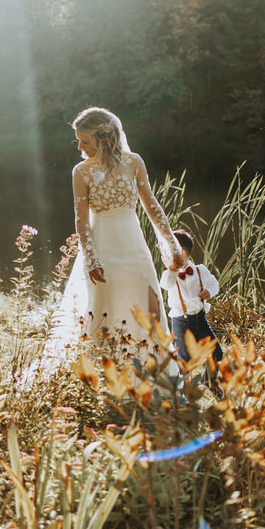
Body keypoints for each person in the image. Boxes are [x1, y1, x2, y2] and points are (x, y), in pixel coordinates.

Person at [60, 107, 185, 361]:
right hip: (103, 247)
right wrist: (91, 258)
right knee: (106, 308)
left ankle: (153, 369)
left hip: (134, 245)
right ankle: (108, 373)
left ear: (103, 138)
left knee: (148, 303)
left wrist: (171, 244)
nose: (79, 147)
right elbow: (81, 220)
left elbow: (152, 206)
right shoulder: (81, 171)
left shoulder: (134, 162)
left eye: (84, 141)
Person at [159, 230, 224, 373]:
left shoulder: (200, 270)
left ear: (181, 252)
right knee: (184, 360)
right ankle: (182, 390)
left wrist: (210, 291)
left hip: (200, 320)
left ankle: (207, 383)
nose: (164, 257)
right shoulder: (169, 275)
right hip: (180, 322)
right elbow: (165, 285)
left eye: (167, 252)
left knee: (217, 354)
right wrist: (172, 268)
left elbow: (214, 284)